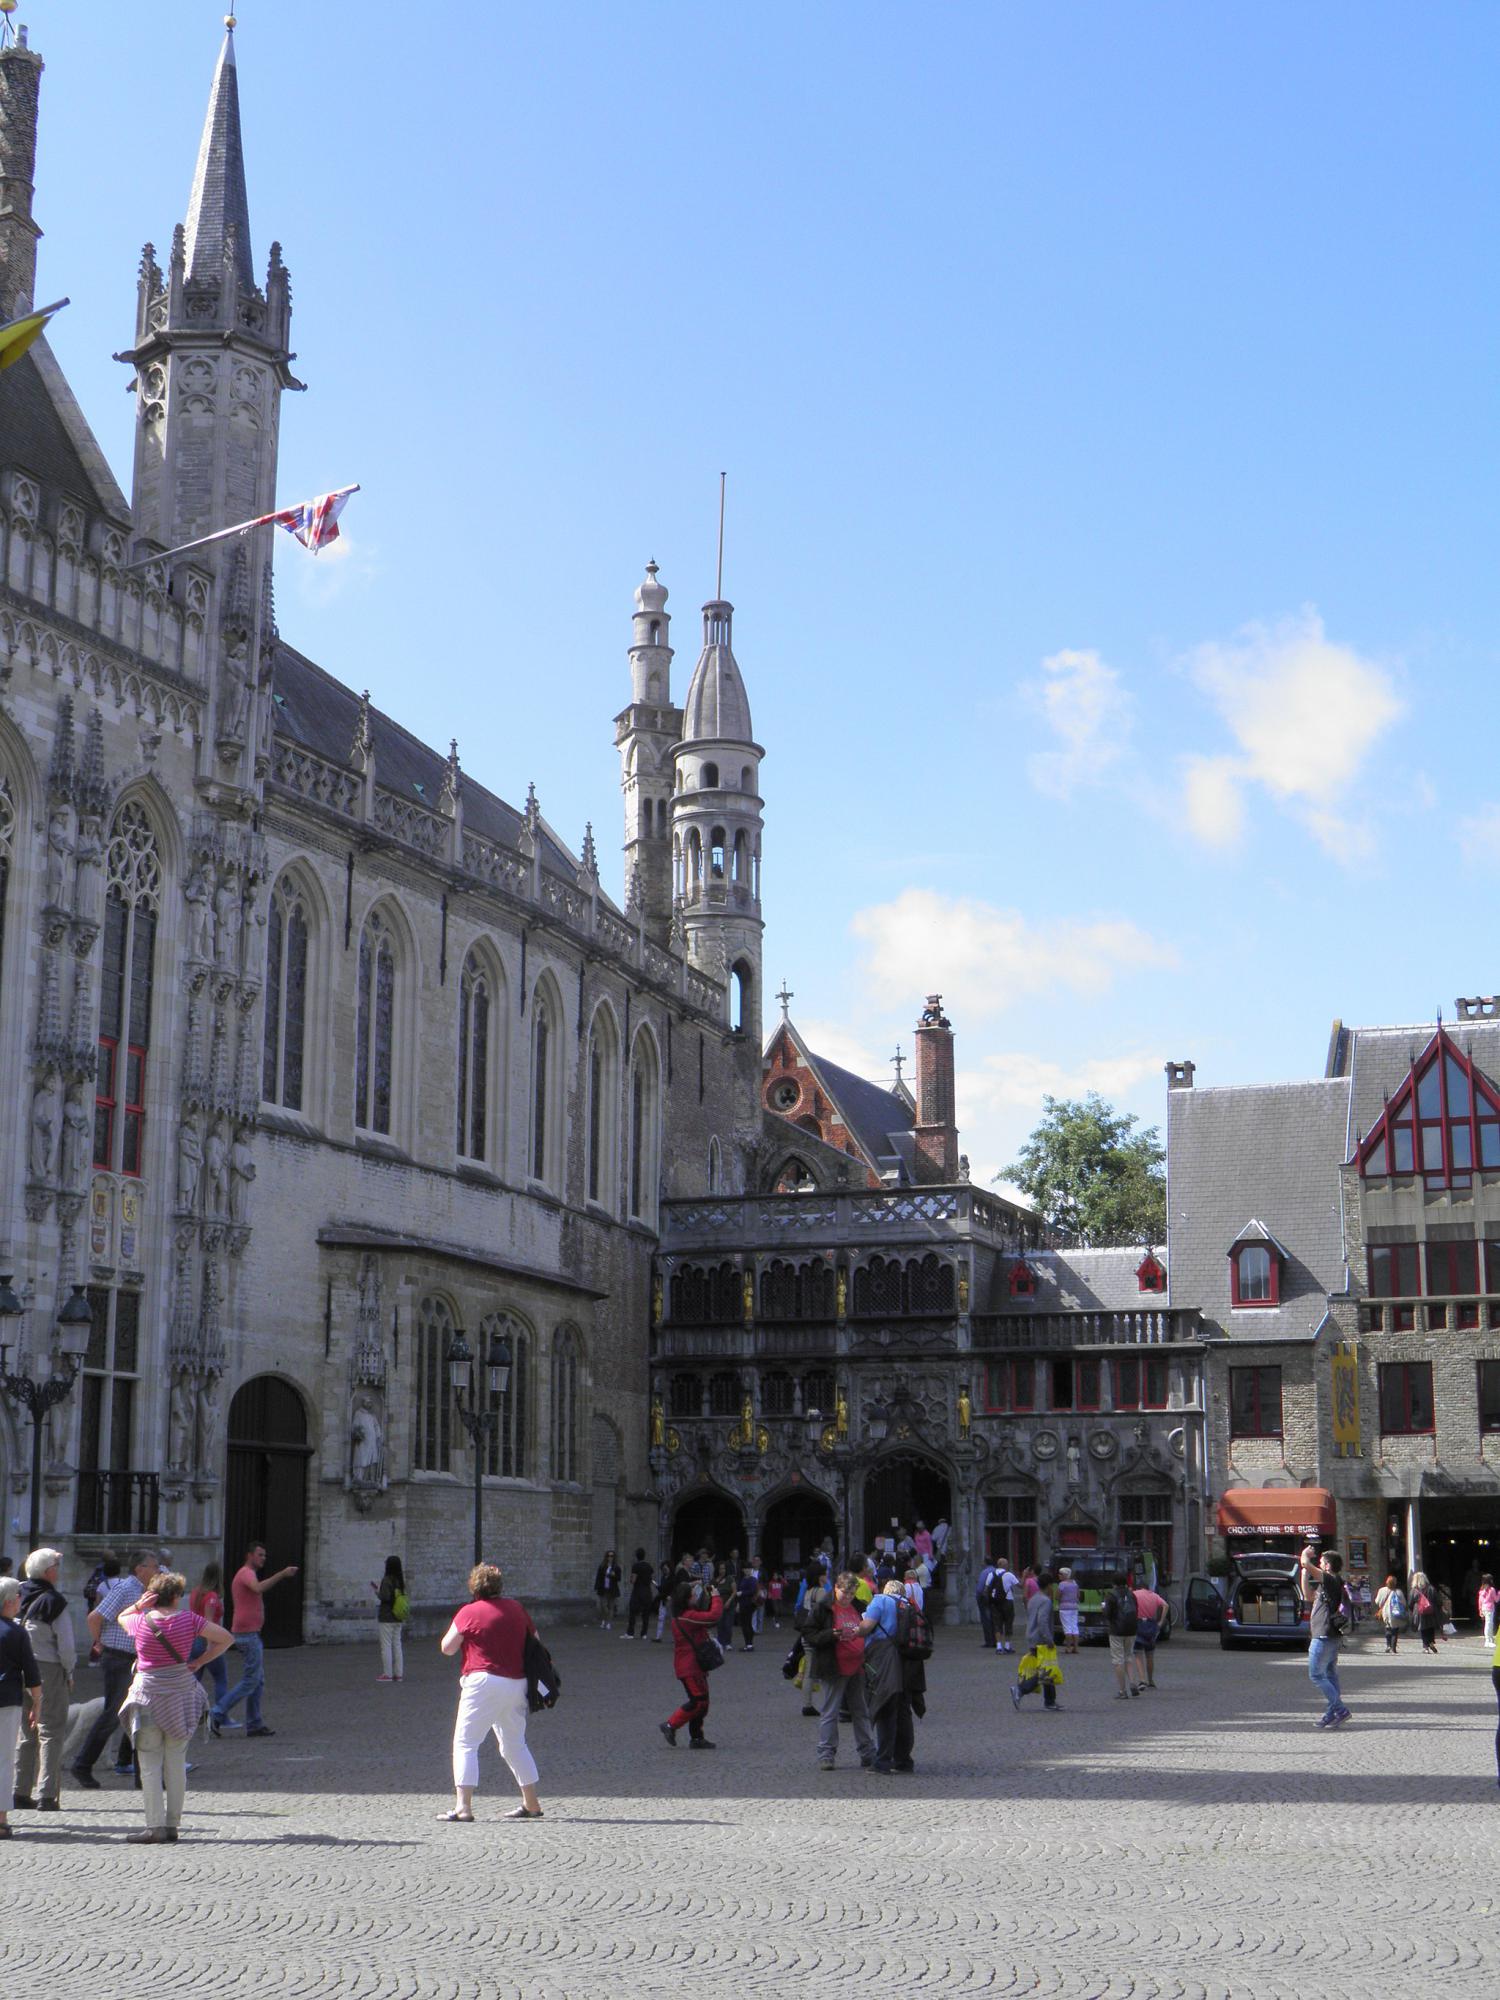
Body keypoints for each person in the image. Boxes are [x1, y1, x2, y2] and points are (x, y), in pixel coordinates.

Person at [117, 1571, 233, 1844]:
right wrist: (201, 1659)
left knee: (149, 1764)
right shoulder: (190, 1620)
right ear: (177, 1596)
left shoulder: (140, 1621)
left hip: (147, 1695)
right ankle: (172, 1825)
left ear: (153, 1597)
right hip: (180, 1695)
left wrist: (138, 1605)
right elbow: (226, 1638)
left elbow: (120, 1617)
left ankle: (154, 1826)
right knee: (176, 1763)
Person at [439, 1561, 544, 1820]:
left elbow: (447, 1647)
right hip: (517, 1683)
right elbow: (537, 1643)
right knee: (514, 1743)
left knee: (465, 1742)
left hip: (482, 1682)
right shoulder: (517, 1609)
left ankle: (463, 1807)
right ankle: (532, 1803)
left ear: (474, 1586)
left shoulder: (469, 1611)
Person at [70, 1547, 159, 1787]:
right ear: (140, 1569)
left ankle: (145, 1776)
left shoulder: (144, 1591)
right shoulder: (125, 1589)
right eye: (153, 1566)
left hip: (135, 1660)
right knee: (114, 1715)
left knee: (141, 1713)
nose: (157, 1569)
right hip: (119, 1659)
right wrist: (98, 1642)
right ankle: (82, 1764)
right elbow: (94, 1617)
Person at [209, 1541, 298, 1739]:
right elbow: (257, 1588)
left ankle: (254, 1723)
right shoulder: (246, 1573)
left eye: (264, 1555)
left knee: (257, 1680)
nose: (263, 1558)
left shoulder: (247, 1573)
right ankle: (216, 1713)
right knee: (251, 1680)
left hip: (250, 1633)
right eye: (260, 1555)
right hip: (246, 1634)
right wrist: (282, 1574)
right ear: (250, 1555)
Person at [13, 1547, 75, 1812]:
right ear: (49, 1571)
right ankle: (47, 1795)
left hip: (17, 1670)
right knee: (50, 1731)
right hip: (47, 1669)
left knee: (25, 1732)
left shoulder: (14, 1594)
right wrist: (68, 1672)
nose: (59, 1572)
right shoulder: (54, 1602)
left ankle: (19, 1790)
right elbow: (67, 1647)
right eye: (57, 1568)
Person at [801, 1571, 876, 1771]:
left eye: (851, 1593)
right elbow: (808, 1632)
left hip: (858, 1666)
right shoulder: (823, 1607)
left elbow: (871, 1627)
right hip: (834, 1667)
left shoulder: (859, 1606)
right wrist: (829, 1635)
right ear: (836, 1588)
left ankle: (868, 1752)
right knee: (830, 1711)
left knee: (861, 1711)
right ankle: (826, 1754)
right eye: (845, 1593)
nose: (848, 1597)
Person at [0, 1577, 43, 1839]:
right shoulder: (16, 1632)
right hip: (6, 1701)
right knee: (4, 1760)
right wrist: (37, 1701)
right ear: (8, 1601)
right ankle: (1, 1819)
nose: (20, 1601)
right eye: (18, 1596)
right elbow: (32, 1671)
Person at [860, 1578, 915, 1772]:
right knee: (903, 1710)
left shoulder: (880, 1600)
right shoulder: (908, 1604)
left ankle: (883, 1760)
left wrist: (852, 1630)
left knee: (885, 1707)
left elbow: (867, 1626)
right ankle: (904, 1759)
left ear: (886, 1589)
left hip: (883, 1658)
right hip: (907, 1660)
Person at [661, 1577, 722, 1748]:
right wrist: (716, 1596)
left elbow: (703, 1612)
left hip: (694, 1666)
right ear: (686, 1599)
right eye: (692, 1596)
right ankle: (670, 1724)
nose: (695, 1597)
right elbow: (713, 1616)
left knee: (703, 1703)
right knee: (698, 1701)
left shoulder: (685, 1615)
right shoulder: (687, 1617)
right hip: (689, 1667)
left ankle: (697, 1737)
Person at [1308, 1550, 1352, 1728]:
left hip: (1324, 1634)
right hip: (1328, 1634)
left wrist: (1306, 1556)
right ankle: (1331, 1714)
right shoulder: (1327, 1584)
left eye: (1321, 1562)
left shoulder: (1331, 1579)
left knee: (1316, 1674)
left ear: (1327, 1565)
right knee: (1330, 1675)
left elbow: (1307, 1564)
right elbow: (1308, 1596)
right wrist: (1305, 1574)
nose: (1319, 1564)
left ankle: (1340, 1710)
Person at [1012, 1570, 1062, 1712]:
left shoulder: (1033, 1598)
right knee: (1044, 1671)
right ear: (1049, 1586)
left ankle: (1050, 1701)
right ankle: (1020, 1689)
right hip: (1041, 1638)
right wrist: (1049, 1639)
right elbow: (1042, 1621)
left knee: (1047, 1667)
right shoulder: (1045, 1601)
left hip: (1032, 1635)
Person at [793, 1563, 830, 1717]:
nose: (826, 1576)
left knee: (809, 1670)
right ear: (819, 1576)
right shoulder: (820, 1591)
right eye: (824, 1573)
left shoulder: (809, 1591)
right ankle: (810, 1704)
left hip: (807, 1634)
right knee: (818, 1671)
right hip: (817, 1635)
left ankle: (807, 1703)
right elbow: (827, 1610)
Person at [1131, 1574, 1171, 1690]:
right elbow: (1166, 1605)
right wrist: (1161, 1621)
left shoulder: (1134, 1594)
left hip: (1138, 1624)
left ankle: (1142, 1680)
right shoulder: (1154, 1596)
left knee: (1138, 1654)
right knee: (1149, 1655)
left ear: (1138, 1587)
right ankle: (1150, 1680)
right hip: (1151, 1625)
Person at [372, 1555, 407, 1681]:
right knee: (397, 1645)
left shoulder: (387, 1580)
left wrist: (377, 1592)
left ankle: (387, 1673)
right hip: (398, 1616)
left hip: (387, 1616)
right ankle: (399, 1673)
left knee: (386, 1645)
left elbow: (385, 1597)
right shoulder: (400, 1581)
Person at [1105, 1573, 1140, 1699]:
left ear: (1113, 1583)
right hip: (1131, 1629)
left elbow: (1108, 1613)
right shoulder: (1131, 1594)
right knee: (1129, 1656)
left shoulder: (1111, 1595)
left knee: (1118, 1659)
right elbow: (1136, 1609)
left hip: (1116, 1630)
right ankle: (1132, 1682)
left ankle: (1122, 1690)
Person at [624, 1548, 655, 1639]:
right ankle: (644, 1634)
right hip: (647, 1591)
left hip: (638, 1591)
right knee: (646, 1614)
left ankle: (630, 1633)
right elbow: (651, 1578)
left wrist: (631, 1579)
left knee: (632, 1612)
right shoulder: (649, 1566)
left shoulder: (636, 1566)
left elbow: (633, 1580)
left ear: (636, 1556)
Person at [1410, 1569, 1441, 1654]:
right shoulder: (1431, 1588)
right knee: (1431, 1627)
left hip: (1419, 1612)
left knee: (1423, 1629)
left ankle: (1426, 1647)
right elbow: (1438, 1601)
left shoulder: (1414, 1590)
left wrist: (1413, 1610)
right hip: (1431, 1611)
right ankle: (1431, 1642)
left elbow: (1410, 1603)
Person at [1374, 1574, 1406, 1654]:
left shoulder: (1382, 1590)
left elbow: (1377, 1601)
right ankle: (1393, 1648)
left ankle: (1388, 1645)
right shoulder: (1398, 1592)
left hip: (1385, 1612)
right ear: (1395, 1583)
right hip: (1395, 1612)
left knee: (1388, 1628)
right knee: (1395, 1630)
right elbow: (1404, 1603)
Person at [736, 1566, 761, 1652]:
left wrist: (742, 1593)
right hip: (743, 1603)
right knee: (745, 1624)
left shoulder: (752, 1580)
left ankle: (749, 1644)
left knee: (747, 1624)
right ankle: (748, 1644)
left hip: (749, 1604)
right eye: (746, 1568)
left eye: (749, 1569)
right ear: (743, 1570)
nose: (747, 1570)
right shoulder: (742, 1579)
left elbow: (752, 1590)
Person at [1056, 1567, 1081, 1656]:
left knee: (1067, 1628)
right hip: (1074, 1607)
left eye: (1061, 1574)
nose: (1059, 1576)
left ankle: (1068, 1647)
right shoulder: (1075, 1584)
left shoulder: (1062, 1584)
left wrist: (1060, 1599)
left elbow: (1057, 1596)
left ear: (1065, 1575)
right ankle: (1076, 1647)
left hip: (1064, 1607)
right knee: (1074, 1626)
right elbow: (1078, 1595)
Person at [975, 1557, 999, 1651]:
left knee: (986, 1619)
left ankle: (989, 1641)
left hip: (984, 1598)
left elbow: (980, 1587)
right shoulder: (995, 1571)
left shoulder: (984, 1572)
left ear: (985, 1563)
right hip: (994, 1597)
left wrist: (978, 1596)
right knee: (993, 1619)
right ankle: (995, 1640)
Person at [593, 1551, 621, 1630]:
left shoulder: (616, 1567)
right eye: (609, 1556)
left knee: (611, 1606)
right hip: (603, 1588)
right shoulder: (602, 1566)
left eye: (612, 1556)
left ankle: (608, 1623)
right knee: (604, 1606)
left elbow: (619, 1578)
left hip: (612, 1589)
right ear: (606, 1557)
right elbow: (598, 1577)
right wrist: (596, 1586)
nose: (610, 1557)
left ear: (614, 1557)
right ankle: (604, 1620)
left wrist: (614, 1575)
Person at [1478, 1573, 1497, 1649]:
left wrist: (1480, 1610)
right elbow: (1496, 1599)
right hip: (1490, 1608)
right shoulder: (1492, 1589)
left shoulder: (1482, 1589)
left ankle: (1490, 1640)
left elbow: (1480, 1601)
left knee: (1488, 1624)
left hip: (1484, 1607)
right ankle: (1488, 1641)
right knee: (1489, 1624)